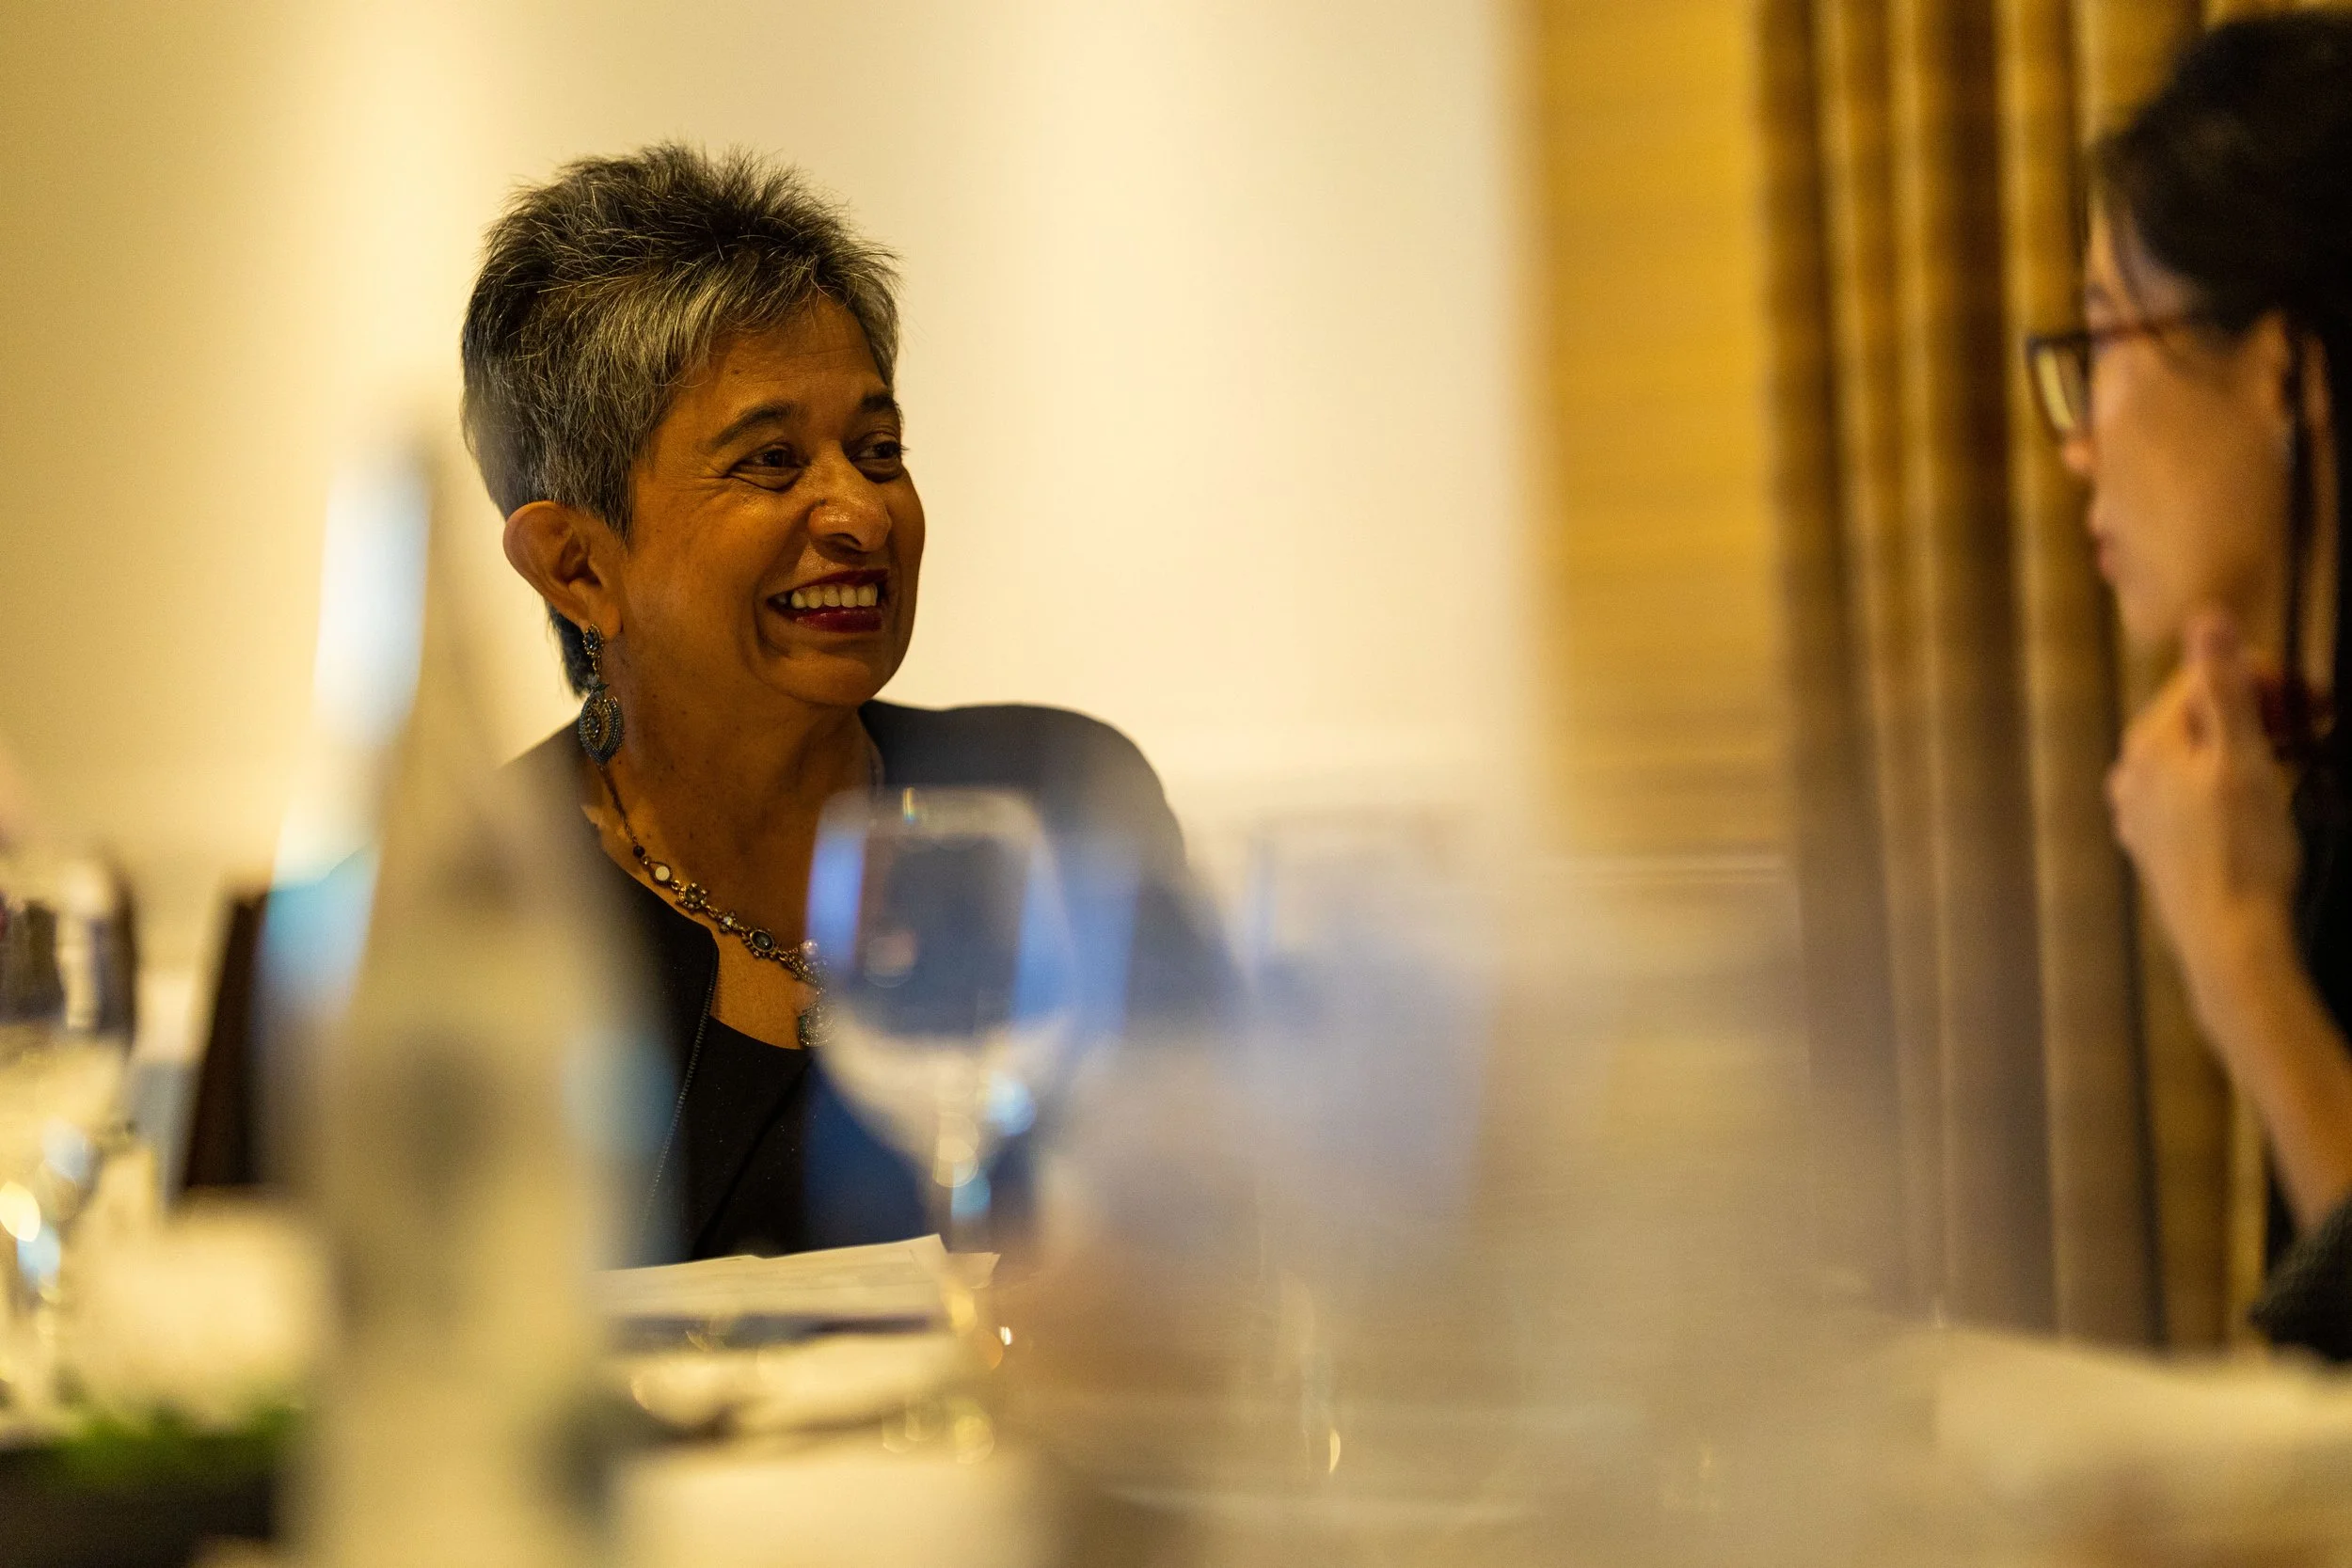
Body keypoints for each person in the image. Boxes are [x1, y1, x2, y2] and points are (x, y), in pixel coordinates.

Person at [465, 144, 1226, 1261]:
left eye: (878, 450)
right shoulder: (474, 906)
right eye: (772, 462)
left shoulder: (1056, 801)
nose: (862, 514)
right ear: (577, 566)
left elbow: (1231, 1220)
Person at [2026, 13, 2352, 1356]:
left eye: (2108, 336)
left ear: (2282, 372)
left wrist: (2241, 964)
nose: (2077, 445)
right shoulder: (2307, 775)